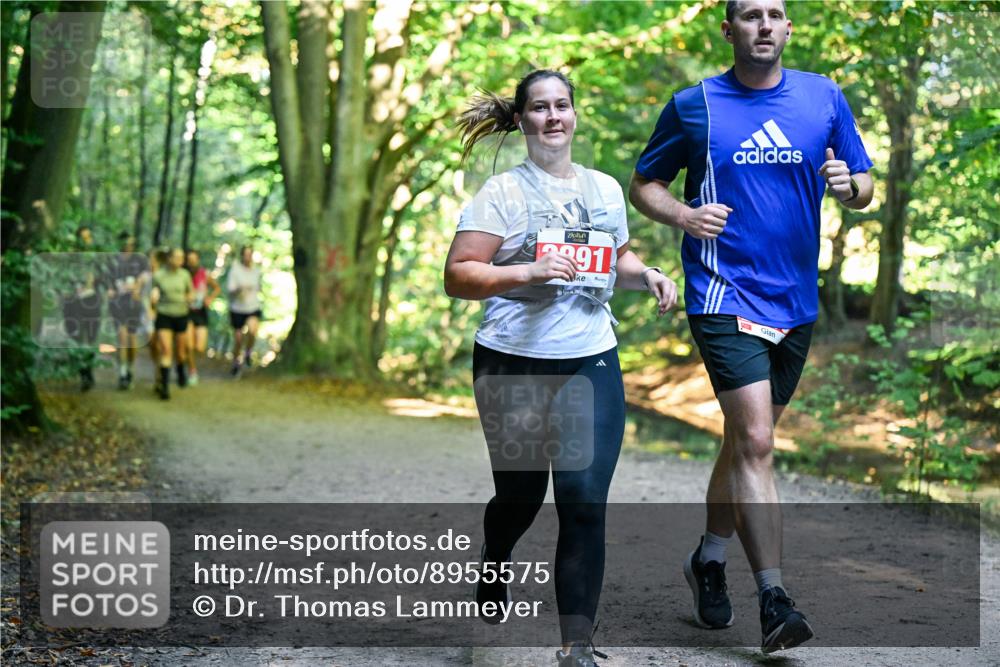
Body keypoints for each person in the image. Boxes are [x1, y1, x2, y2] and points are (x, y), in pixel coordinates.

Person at [629, 0, 874, 654]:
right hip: (721, 291)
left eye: (775, 13)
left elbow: (865, 183)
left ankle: (709, 557)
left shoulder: (824, 98)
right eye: (749, 14)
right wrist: (682, 215)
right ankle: (774, 597)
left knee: (744, 442)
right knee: (758, 440)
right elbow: (644, 182)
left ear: (788, 28)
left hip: (795, 301)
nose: (763, 24)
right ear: (729, 29)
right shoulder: (695, 105)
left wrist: (850, 187)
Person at [444, 69, 678, 667]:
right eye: (540, 108)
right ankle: (496, 561)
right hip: (513, 363)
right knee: (520, 498)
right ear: (521, 119)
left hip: (589, 358)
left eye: (563, 106)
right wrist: (528, 270)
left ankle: (578, 645)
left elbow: (614, 258)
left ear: (575, 115)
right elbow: (460, 274)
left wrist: (645, 274)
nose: (554, 117)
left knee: (582, 499)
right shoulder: (502, 194)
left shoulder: (603, 190)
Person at [61, 225, 103, 391]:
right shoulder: (69, 259)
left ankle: (88, 372)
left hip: (92, 302)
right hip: (73, 303)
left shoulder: (97, 258)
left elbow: (104, 279)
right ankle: (83, 373)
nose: (86, 242)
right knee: (76, 337)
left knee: (91, 338)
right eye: (83, 238)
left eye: (88, 238)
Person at [151, 247, 194, 400]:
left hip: (181, 315)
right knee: (166, 349)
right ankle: (165, 386)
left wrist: (190, 298)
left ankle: (181, 369)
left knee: (181, 353)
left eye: (182, 258)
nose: (180, 260)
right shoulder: (158, 275)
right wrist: (153, 299)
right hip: (164, 315)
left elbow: (191, 292)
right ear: (169, 258)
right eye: (177, 257)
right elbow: (152, 293)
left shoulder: (185, 275)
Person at [107, 232, 147, 390]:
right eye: (125, 243)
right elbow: (108, 284)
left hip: (134, 306)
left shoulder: (140, 260)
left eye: (131, 243)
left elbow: (145, 278)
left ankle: (130, 368)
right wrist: (111, 291)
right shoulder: (113, 262)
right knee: (122, 338)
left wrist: (138, 287)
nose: (128, 246)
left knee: (132, 340)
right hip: (118, 305)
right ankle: (122, 373)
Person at [185, 249, 220, 386]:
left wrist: (210, 298)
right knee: (189, 344)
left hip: (201, 313)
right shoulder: (183, 275)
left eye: (194, 260)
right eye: (189, 260)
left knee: (199, 347)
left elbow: (216, 288)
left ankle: (189, 362)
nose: (192, 262)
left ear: (198, 260)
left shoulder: (204, 274)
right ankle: (192, 370)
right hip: (186, 312)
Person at [226, 245, 263, 377]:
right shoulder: (235, 270)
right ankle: (236, 363)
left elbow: (259, 287)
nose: (248, 257)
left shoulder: (256, 271)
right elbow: (230, 290)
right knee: (238, 338)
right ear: (242, 256)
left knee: (253, 330)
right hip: (237, 308)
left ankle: (248, 353)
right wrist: (239, 290)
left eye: (250, 254)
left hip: (252, 307)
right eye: (245, 254)